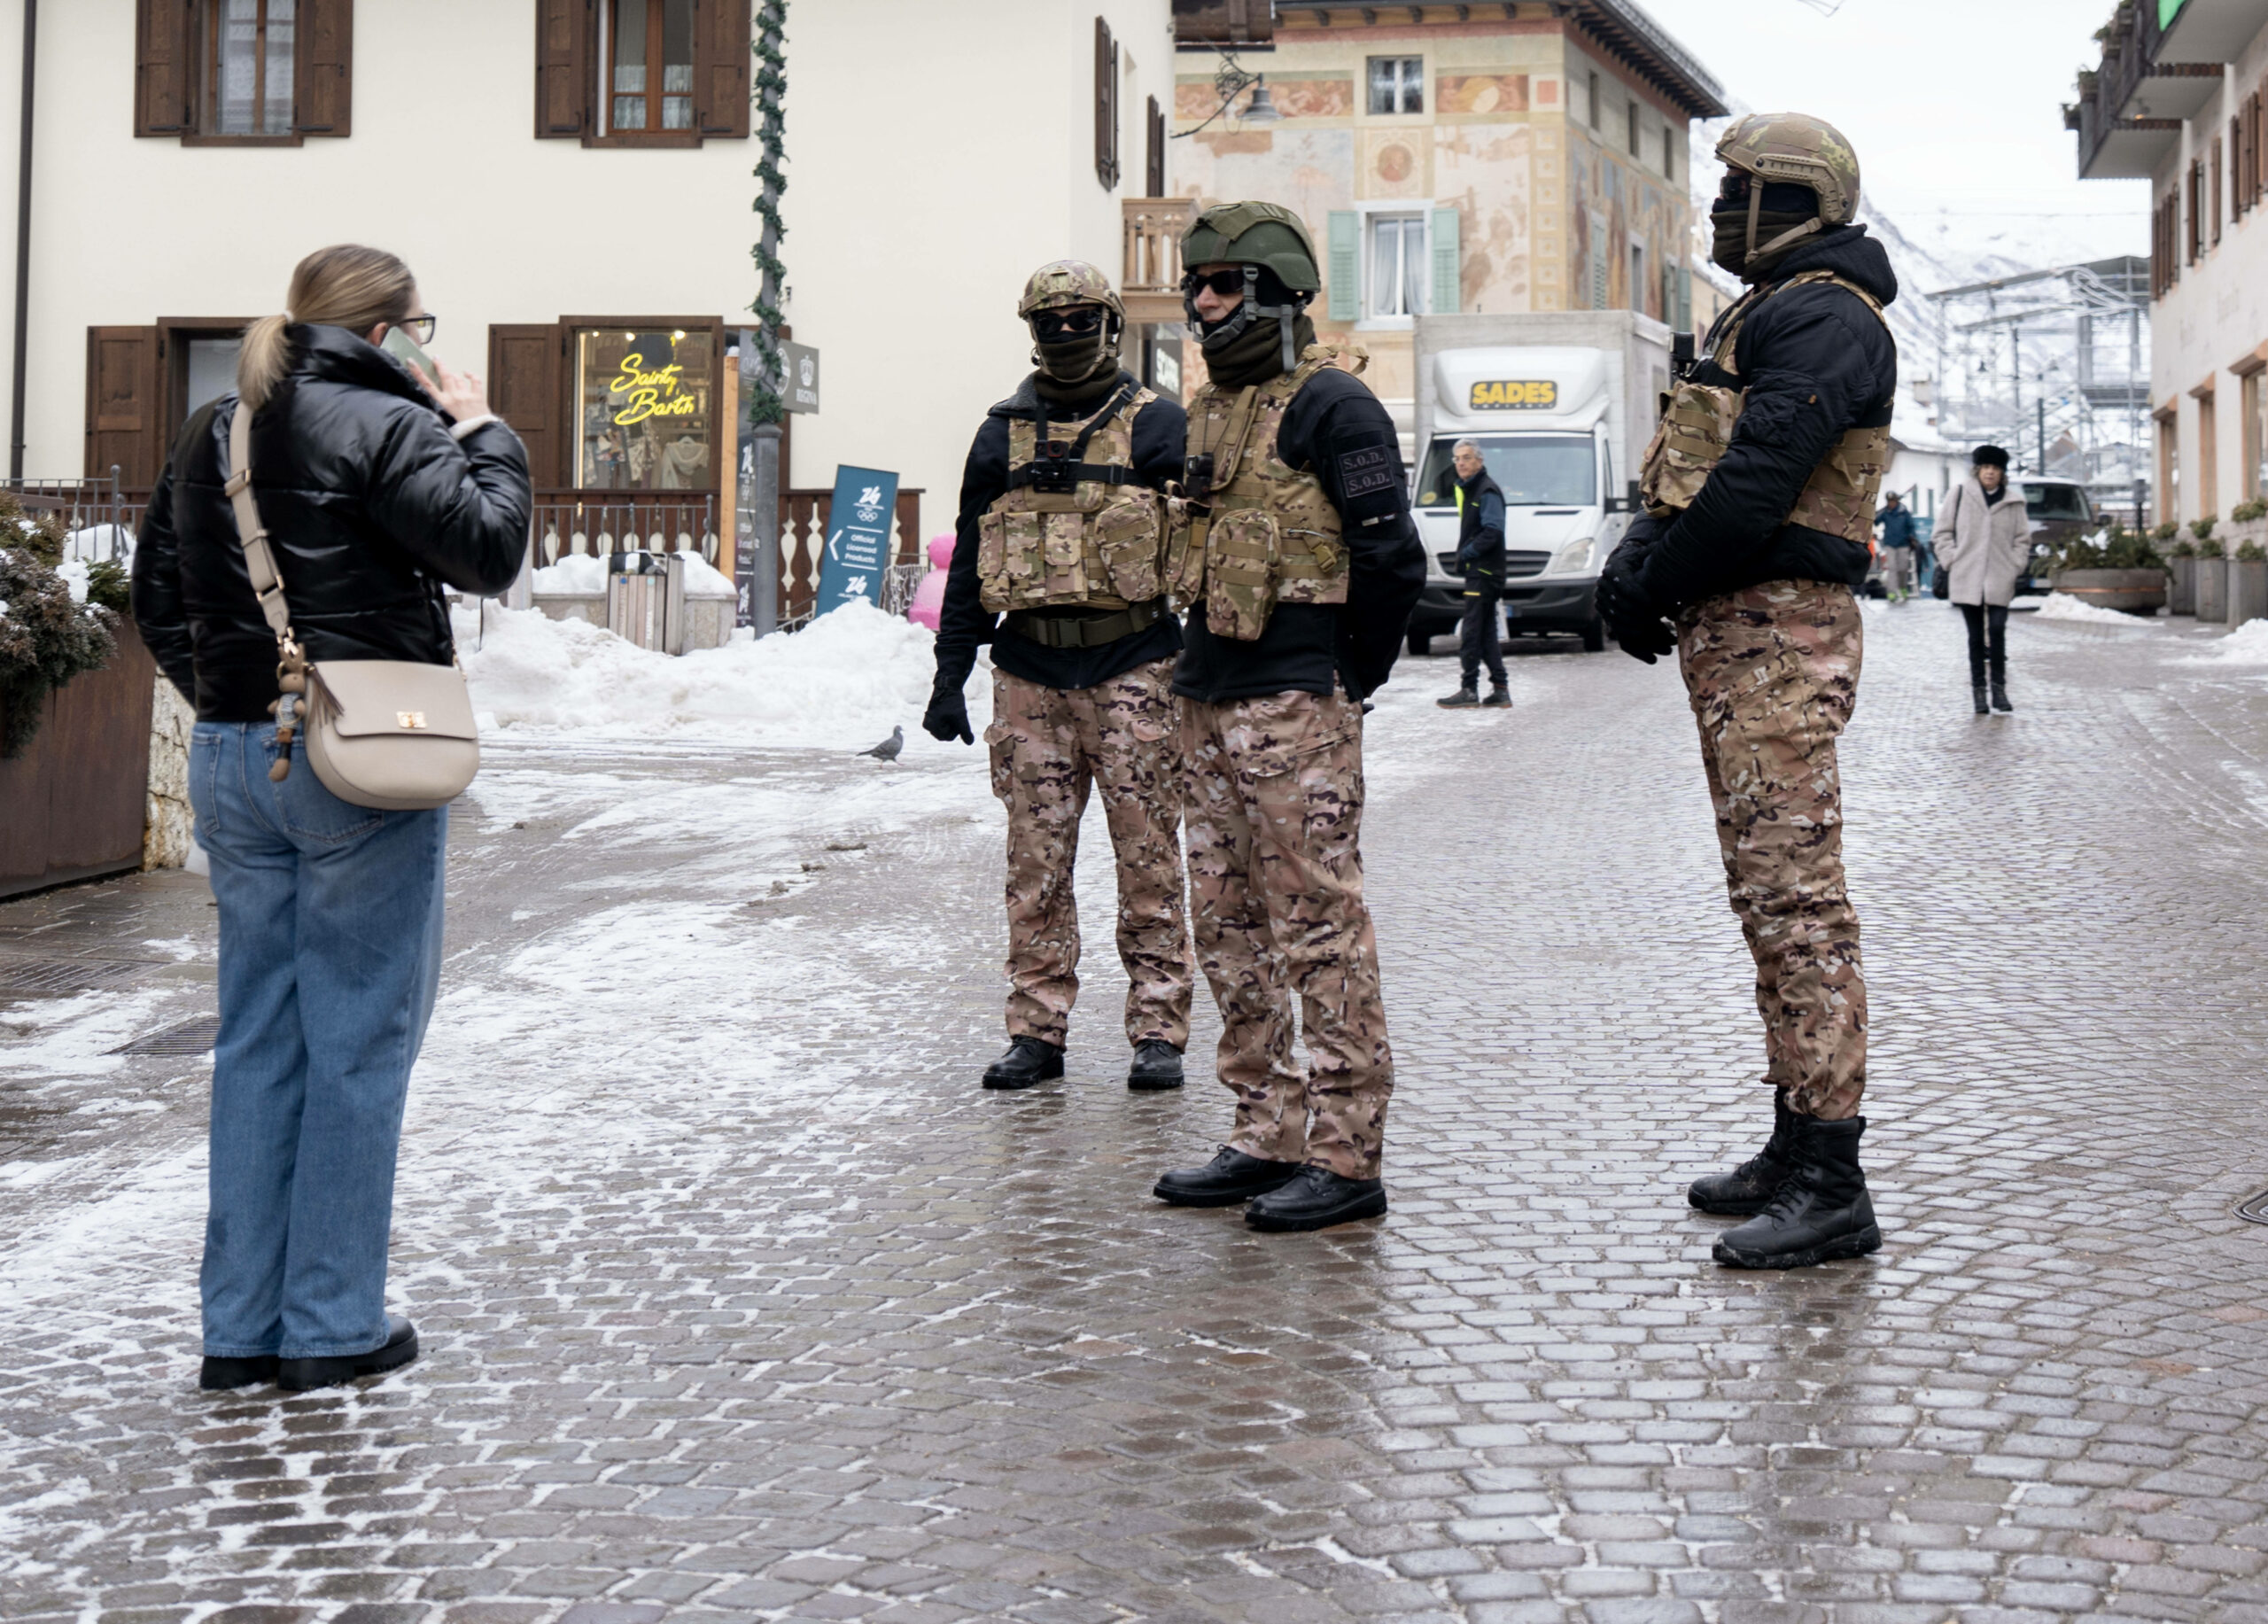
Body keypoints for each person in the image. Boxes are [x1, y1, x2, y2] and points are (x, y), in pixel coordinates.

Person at [129, 245, 531, 1390]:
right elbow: (491, 549)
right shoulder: (388, 421)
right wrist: (485, 429)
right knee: (359, 1034)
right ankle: (330, 1324)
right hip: (357, 758)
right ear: (389, 327)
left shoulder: (220, 426)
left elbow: (159, 596)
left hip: (232, 755)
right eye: (422, 322)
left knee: (258, 1033)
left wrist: (231, 700)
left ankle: (240, 1328)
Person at [1595, 113, 1896, 1270]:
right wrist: (1640, 563)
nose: (1720, 214)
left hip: (1780, 634)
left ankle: (1832, 1177)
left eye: (1741, 193)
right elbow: (1693, 472)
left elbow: (1758, 483)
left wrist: (1651, 587)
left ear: (1798, 202)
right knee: (1763, 899)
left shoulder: (1823, 315)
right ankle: (1793, 1137)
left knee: (1798, 905)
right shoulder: (1771, 306)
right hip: (1740, 633)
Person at [1147, 201, 1426, 1232]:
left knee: (1319, 929)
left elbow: (1394, 560)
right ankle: (1266, 1129)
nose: (1204, 304)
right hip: (1205, 698)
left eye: (1224, 286)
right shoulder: (1209, 411)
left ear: (1277, 293)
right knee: (1228, 929)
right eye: (1197, 288)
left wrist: (1349, 676)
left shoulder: (1335, 406)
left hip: (1295, 698)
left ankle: (1347, 1157)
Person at [923, 260, 1194, 1092]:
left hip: (1134, 667)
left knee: (1148, 855)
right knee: (1036, 864)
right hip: (1031, 675)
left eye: (1083, 319)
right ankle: (1037, 1030)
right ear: (1031, 330)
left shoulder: (1159, 426)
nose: (1068, 334)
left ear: (1111, 324)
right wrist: (951, 671)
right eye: (1052, 321)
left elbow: (1199, 551)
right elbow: (970, 560)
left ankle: (1159, 1028)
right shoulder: (998, 433)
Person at [1932, 445, 2028, 714]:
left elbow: (2022, 539)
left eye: (1995, 469)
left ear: (2002, 474)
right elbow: (1942, 533)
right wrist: (1952, 559)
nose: (1990, 473)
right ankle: (1979, 693)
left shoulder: (2013, 502)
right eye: (1986, 468)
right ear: (1978, 470)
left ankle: (1999, 689)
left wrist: (2015, 564)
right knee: (1975, 637)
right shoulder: (1960, 494)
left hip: (2000, 575)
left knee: (1997, 631)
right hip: (1968, 575)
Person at [1436, 439, 1511, 709]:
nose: (1461, 463)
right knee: (1485, 633)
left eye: (1466, 457)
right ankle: (1500, 689)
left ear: (1479, 460)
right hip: (1480, 571)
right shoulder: (1470, 489)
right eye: (1457, 459)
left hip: (1484, 572)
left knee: (1471, 632)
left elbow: (1493, 531)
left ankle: (1469, 689)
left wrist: (1466, 552)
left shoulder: (1486, 490)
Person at [1874, 490, 1917, 602]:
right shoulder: (1885, 512)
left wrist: (1913, 537)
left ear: (1896, 501)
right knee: (1892, 568)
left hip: (1903, 544)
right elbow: (1876, 521)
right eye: (1889, 501)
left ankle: (1903, 589)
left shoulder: (1904, 512)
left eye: (1892, 501)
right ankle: (1891, 593)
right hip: (1890, 544)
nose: (1890, 503)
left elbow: (1911, 526)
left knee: (1902, 569)